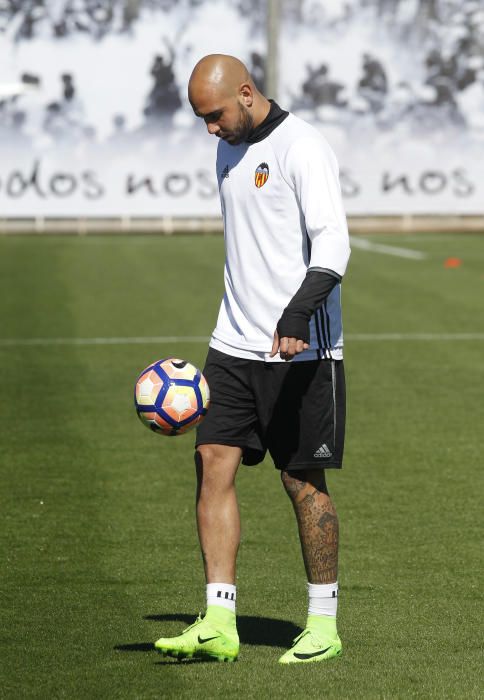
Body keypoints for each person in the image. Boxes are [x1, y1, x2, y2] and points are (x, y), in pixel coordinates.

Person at [154, 54, 350, 664]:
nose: (210, 130)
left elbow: (334, 243)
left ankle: (323, 625)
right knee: (213, 463)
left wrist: (296, 315)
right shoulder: (228, 144)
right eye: (201, 120)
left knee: (302, 483)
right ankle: (218, 619)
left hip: (303, 350)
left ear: (245, 92)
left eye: (215, 116)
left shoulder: (303, 147)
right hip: (233, 343)